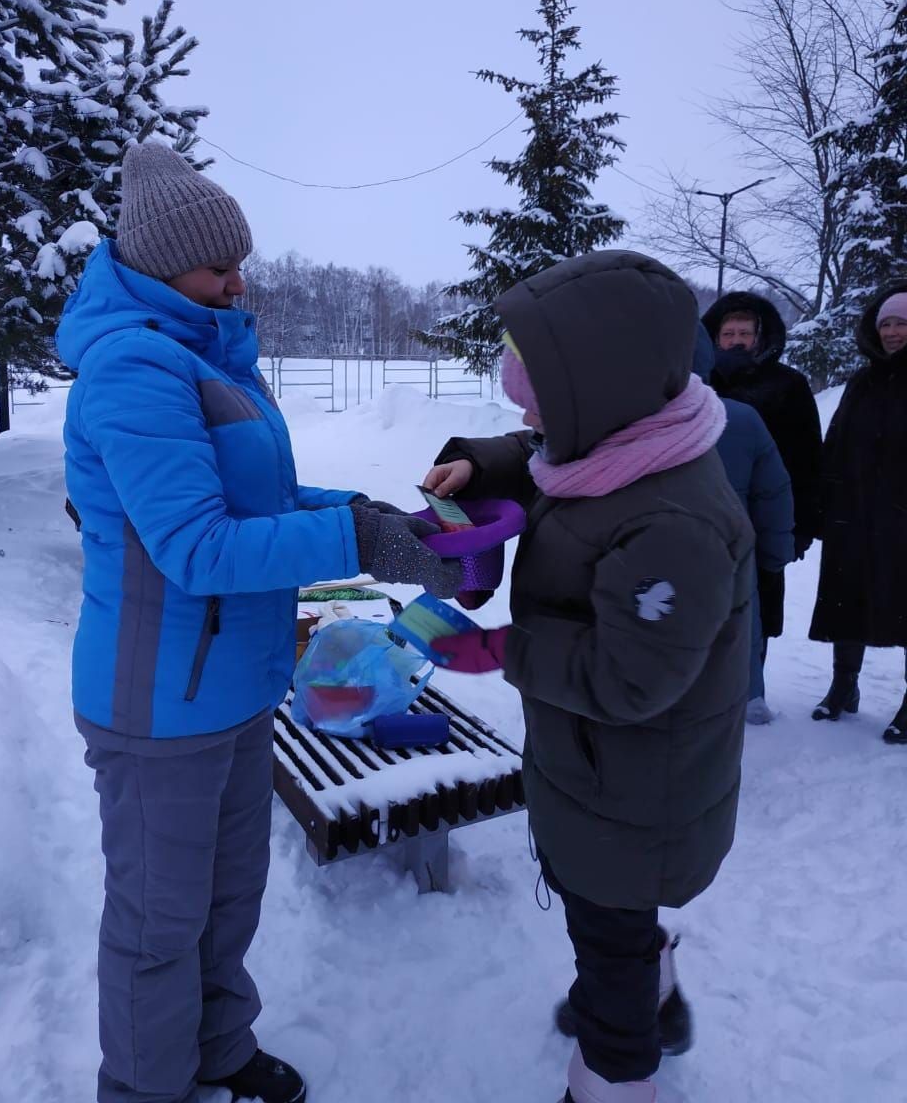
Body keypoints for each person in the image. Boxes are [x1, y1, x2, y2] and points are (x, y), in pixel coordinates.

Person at [56, 141, 460, 1103]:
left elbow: (263, 496)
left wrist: (375, 518)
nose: (238, 281)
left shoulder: (207, 354)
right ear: (157, 267)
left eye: (240, 259)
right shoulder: (132, 371)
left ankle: (219, 1049)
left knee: (229, 901)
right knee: (158, 922)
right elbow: (196, 546)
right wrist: (352, 538)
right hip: (155, 704)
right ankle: (145, 1088)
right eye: (215, 266)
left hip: (235, 687)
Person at [423, 251, 754, 1103]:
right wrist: (478, 466)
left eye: (535, 380)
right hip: (598, 777)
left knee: (609, 940)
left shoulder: (672, 519)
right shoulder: (620, 444)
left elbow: (632, 680)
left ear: (596, 382)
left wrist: (502, 652)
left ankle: (616, 1076)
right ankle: (655, 993)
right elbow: (542, 454)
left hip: (639, 793)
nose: (523, 402)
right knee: (603, 919)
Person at [701, 291, 822, 714]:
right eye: (727, 332)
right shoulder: (699, 383)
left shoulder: (787, 385)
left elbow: (808, 460)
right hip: (707, 515)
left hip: (767, 514)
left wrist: (800, 526)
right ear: (713, 338)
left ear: (760, 336)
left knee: (761, 604)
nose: (735, 340)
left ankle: (751, 690)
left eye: (744, 333)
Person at [809, 283, 907, 744]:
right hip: (857, 514)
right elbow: (836, 443)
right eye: (885, 323)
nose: (891, 332)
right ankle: (843, 685)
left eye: (901, 323)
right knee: (848, 600)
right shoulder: (861, 383)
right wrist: (824, 504)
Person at [692, 325, 795, 724]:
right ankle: (748, 696)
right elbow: (774, 495)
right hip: (732, 549)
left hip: (649, 552)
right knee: (738, 624)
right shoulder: (741, 418)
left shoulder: (625, 419)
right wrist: (774, 557)